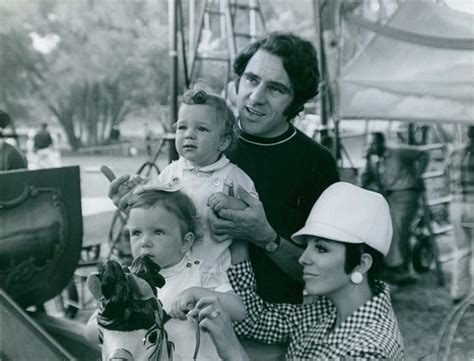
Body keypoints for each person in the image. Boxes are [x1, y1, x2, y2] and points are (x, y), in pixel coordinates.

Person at [109, 32, 339, 304]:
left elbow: (327, 273)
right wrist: (139, 204)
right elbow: (170, 227)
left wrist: (266, 237)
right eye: (252, 80)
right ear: (236, 83)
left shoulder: (316, 163)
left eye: (276, 89)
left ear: (296, 102)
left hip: (268, 321)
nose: (256, 97)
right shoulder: (204, 140)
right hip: (184, 304)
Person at [182, 182, 404, 360]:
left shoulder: (370, 351)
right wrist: (240, 242)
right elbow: (258, 320)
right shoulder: (328, 311)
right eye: (307, 245)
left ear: (362, 263)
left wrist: (234, 353)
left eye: (321, 249)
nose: (304, 258)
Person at [87, 186, 246, 360]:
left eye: (158, 232)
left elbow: (239, 311)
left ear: (185, 242)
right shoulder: (127, 283)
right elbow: (91, 332)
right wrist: (110, 316)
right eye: (136, 233)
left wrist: (198, 294)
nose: (145, 242)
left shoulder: (201, 272)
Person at [141, 85, 257, 272]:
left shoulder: (232, 176)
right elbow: (152, 208)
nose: (189, 134)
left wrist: (231, 202)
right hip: (175, 268)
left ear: (223, 141)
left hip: (216, 272)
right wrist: (141, 189)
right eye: (182, 127)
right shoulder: (171, 173)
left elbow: (253, 210)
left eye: (201, 129)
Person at [361, 131, 429, 284]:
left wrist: (419, 175)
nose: (372, 146)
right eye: (370, 143)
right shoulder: (373, 159)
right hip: (388, 196)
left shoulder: (397, 151)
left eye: (374, 143)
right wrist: (367, 161)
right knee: (383, 229)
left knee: (399, 229)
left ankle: (401, 268)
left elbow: (424, 153)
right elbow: (364, 181)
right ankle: (390, 265)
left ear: (381, 142)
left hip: (405, 193)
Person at [447, 125, 474, 302]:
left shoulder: (455, 153)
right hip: (473, 206)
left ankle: (458, 292)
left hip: (456, 206)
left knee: (461, 249)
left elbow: (445, 174)